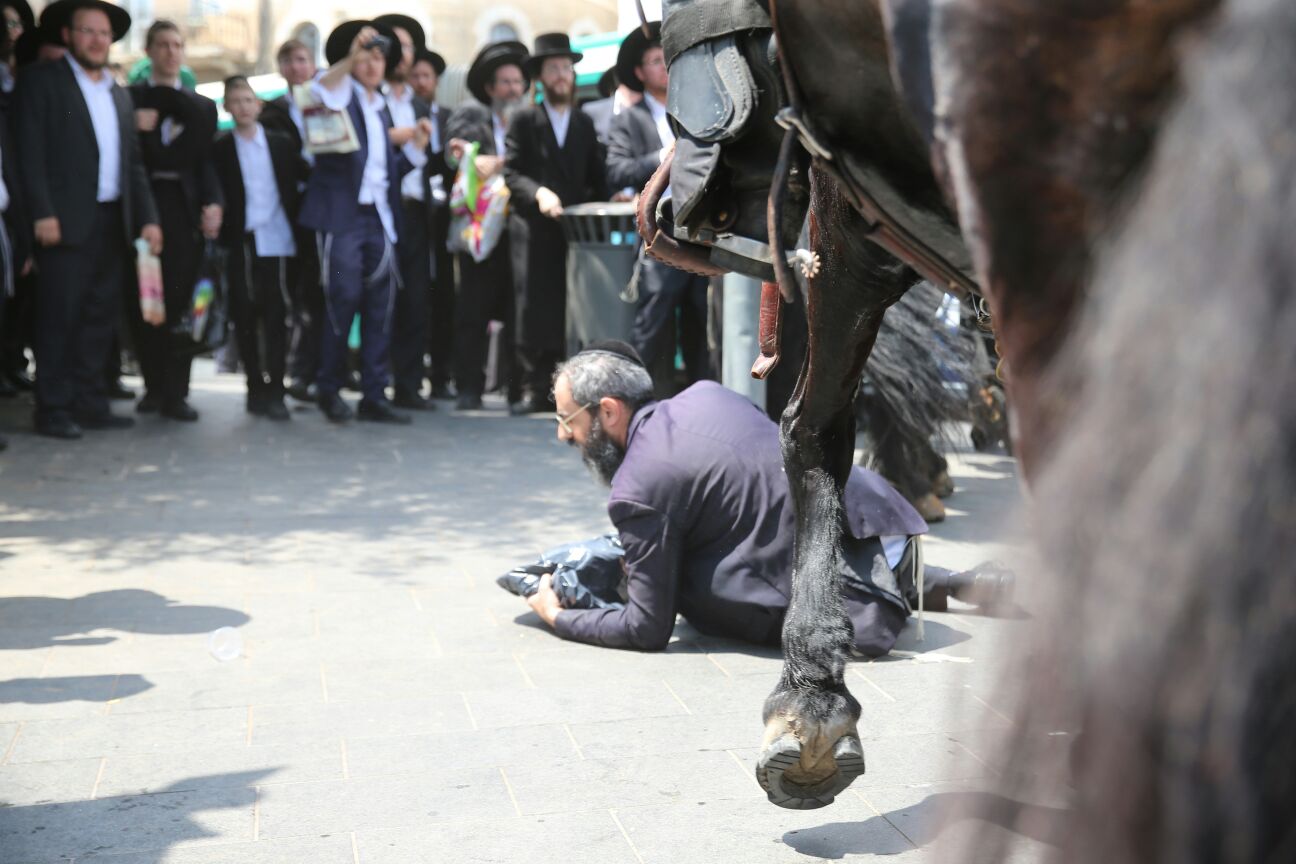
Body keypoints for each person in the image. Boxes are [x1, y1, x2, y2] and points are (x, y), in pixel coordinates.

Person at [522, 342, 1015, 653]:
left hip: (845, 607)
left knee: (690, 578)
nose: (565, 436)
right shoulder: (706, 394)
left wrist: (561, 617)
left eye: (569, 421)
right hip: (878, 527)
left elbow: (646, 628)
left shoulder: (636, 489)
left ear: (607, 411)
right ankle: (964, 582)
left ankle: (918, 592)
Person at [17, 0, 161, 440]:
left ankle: (89, 400)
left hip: (113, 219)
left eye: (103, 33)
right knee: (58, 317)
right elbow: (29, 153)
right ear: (68, 35)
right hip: (63, 221)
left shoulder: (118, 92)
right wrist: (41, 212)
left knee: (100, 317)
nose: (97, 40)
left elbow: (133, 164)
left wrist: (148, 219)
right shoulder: (43, 81)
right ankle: (54, 408)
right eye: (87, 31)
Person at [297, 20, 431, 425]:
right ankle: (329, 388)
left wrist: (418, 149)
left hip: (380, 218)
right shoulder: (339, 93)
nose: (373, 64)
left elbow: (386, 170)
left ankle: (374, 394)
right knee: (342, 300)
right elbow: (315, 91)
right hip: (343, 218)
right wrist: (350, 57)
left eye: (378, 56)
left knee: (380, 307)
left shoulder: (382, 106)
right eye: (365, 56)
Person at [504, 33, 609, 415]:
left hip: (573, 230)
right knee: (533, 304)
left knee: (570, 304)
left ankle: (568, 390)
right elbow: (512, 173)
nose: (562, 75)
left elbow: (597, 175)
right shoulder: (524, 119)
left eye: (566, 68)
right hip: (532, 227)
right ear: (541, 77)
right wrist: (539, 193)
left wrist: (611, 195)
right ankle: (534, 388)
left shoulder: (583, 121)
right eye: (554, 69)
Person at [607, 23, 713, 394]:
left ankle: (704, 399)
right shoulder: (629, 119)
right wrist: (663, 159)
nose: (664, 67)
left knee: (704, 320)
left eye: (667, 59)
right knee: (653, 317)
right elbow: (616, 168)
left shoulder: (701, 111)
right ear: (639, 72)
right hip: (660, 233)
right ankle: (633, 398)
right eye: (654, 61)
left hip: (702, 230)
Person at [128, 19, 222, 422]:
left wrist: (214, 203)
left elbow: (207, 162)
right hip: (144, 210)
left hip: (184, 213)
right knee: (147, 302)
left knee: (183, 301)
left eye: (177, 44)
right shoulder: (129, 100)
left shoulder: (201, 106)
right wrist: (132, 125)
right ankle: (152, 386)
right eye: (162, 44)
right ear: (149, 51)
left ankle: (177, 393)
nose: (170, 51)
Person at [213, 76, 306, 421]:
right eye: (235, 101)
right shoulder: (221, 148)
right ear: (227, 107)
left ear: (258, 105)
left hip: (278, 236)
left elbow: (301, 174)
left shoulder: (280, 143)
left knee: (277, 314)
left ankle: (277, 388)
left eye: (247, 100)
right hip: (241, 239)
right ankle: (255, 384)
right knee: (244, 311)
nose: (242, 106)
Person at [445, 40, 529, 412]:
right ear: (491, 88)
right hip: (480, 232)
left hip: (517, 232)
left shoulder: (529, 121)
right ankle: (468, 387)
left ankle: (516, 388)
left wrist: (502, 161)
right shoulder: (471, 117)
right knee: (472, 312)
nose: (513, 88)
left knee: (517, 312)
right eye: (505, 82)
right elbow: (455, 154)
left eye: (517, 81)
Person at [376, 13, 435, 412]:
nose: (400, 53)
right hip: (381, 211)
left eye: (407, 46)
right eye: (393, 44)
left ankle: (409, 384)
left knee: (415, 299)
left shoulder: (419, 103)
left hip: (417, 213)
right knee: (381, 299)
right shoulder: (370, 97)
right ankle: (375, 384)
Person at [261, 38, 323, 405]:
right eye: (290, 61)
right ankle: (292, 371)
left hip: (323, 208)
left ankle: (311, 370)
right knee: (294, 293)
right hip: (289, 212)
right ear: (282, 68)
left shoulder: (326, 105)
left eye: (303, 60)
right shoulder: (273, 112)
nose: (297, 67)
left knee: (318, 293)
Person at [408, 46, 454, 401]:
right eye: (415, 76)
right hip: (414, 214)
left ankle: (441, 374)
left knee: (445, 295)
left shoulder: (449, 118)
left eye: (427, 76)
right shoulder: (404, 117)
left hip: (446, 217)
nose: (421, 82)